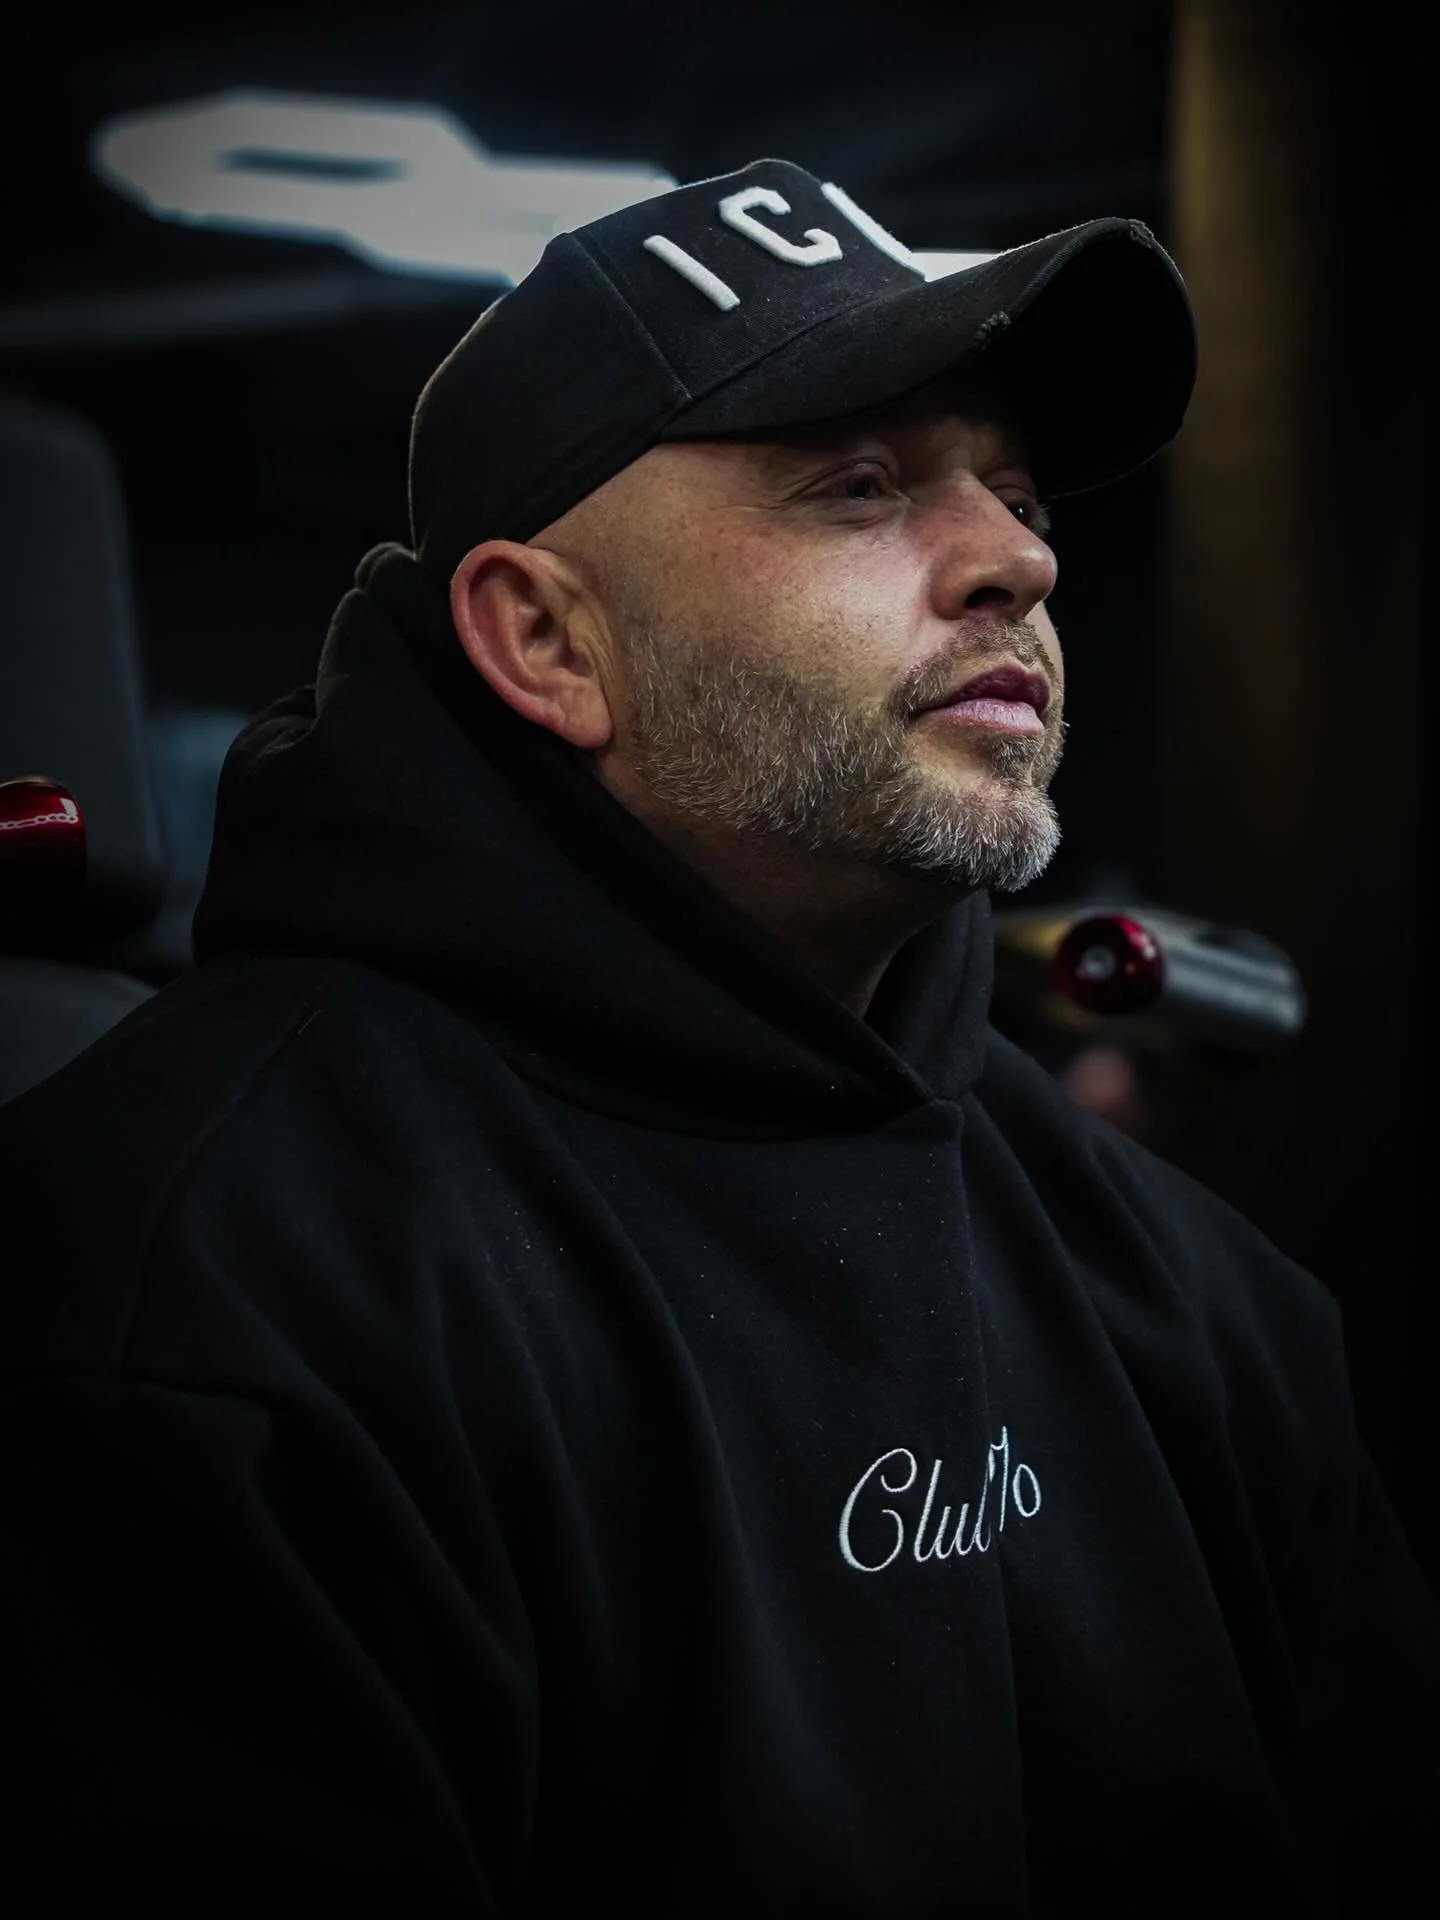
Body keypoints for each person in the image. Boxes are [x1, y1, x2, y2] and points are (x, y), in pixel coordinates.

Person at [2, 158, 1435, 1917]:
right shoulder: (186, 1303)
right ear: (549, 640)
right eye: (860, 485)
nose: (1021, 558)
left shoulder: (1203, 1306)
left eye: (1016, 492)